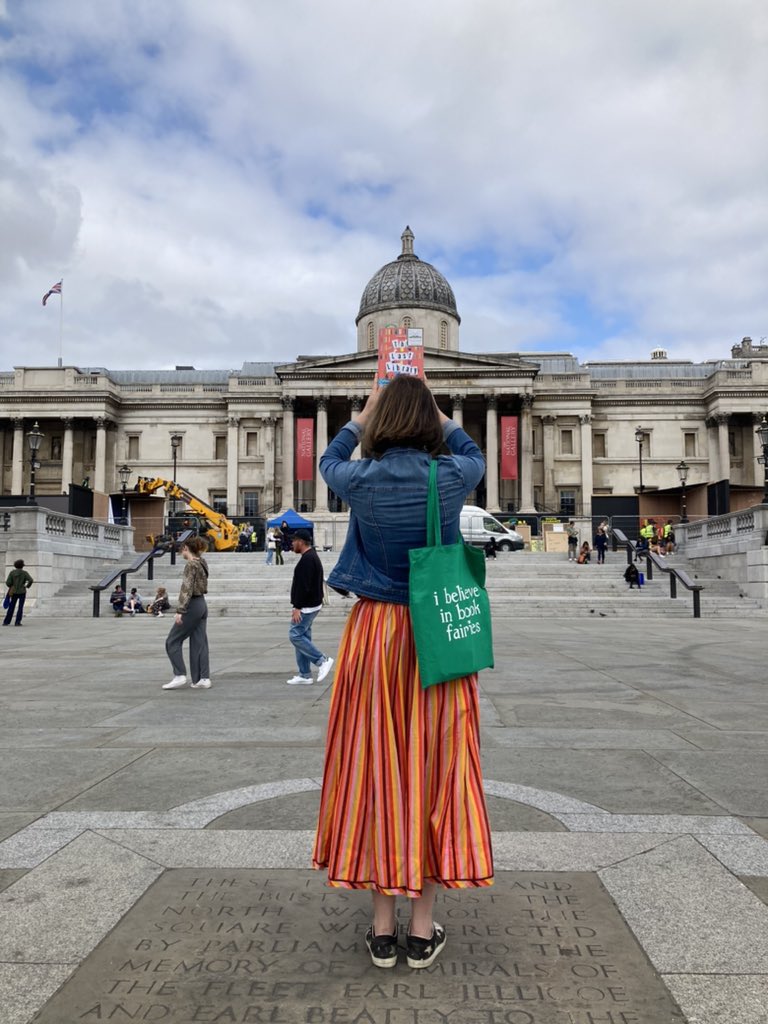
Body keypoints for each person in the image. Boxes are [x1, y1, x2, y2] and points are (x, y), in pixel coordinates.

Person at [313, 375, 493, 971]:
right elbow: (474, 453)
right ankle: (422, 931)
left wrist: (363, 414)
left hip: (375, 634)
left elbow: (328, 457)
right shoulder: (453, 477)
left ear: (382, 421)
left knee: (375, 771)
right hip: (433, 633)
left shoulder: (357, 479)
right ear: (429, 422)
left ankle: (382, 930)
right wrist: (440, 414)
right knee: (435, 771)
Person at [162, 536, 212, 690]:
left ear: (185, 548)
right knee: (199, 642)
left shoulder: (190, 565)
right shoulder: (202, 563)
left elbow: (187, 587)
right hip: (202, 604)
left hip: (191, 605)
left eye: (181, 549)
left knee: (172, 641)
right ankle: (202, 678)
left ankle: (179, 674)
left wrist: (180, 610)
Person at [286, 529, 333, 686]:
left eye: (294, 541)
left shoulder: (307, 560)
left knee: (295, 635)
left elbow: (304, 586)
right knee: (303, 637)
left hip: (306, 606)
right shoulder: (311, 556)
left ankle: (322, 660)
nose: (292, 544)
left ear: (301, 542)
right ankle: (305, 674)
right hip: (311, 604)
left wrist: (297, 607)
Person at [3, 559, 34, 626]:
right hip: (22, 592)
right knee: (20, 607)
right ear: (22, 566)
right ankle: (17, 622)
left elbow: (8, 582)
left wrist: (11, 586)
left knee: (11, 606)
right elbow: (31, 580)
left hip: (13, 592)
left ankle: (6, 622)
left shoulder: (12, 573)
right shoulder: (24, 573)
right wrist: (26, 586)